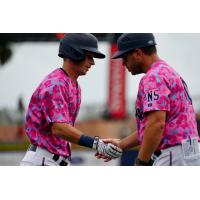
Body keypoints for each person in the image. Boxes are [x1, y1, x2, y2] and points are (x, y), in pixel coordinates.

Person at [97, 33, 200, 166]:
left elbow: (157, 124)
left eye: (124, 57)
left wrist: (141, 161)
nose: (123, 63)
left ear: (137, 53)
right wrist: (122, 144)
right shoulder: (167, 71)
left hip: (173, 155)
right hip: (186, 153)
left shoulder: (153, 78)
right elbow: (155, 125)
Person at [20, 33, 122, 166]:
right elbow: (59, 128)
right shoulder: (56, 83)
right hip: (43, 160)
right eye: (89, 57)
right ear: (74, 53)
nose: (92, 62)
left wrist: (99, 144)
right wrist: (97, 144)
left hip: (53, 160)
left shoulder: (73, 85)